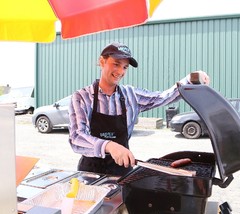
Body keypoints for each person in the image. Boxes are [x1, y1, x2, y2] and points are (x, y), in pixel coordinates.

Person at [68, 42, 210, 176]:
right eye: (116, 64)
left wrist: (190, 80)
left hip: (122, 172)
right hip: (90, 174)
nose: (120, 71)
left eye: (125, 67)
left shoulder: (131, 95)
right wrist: (110, 146)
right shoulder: (82, 97)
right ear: (102, 61)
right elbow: (76, 137)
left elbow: (162, 98)